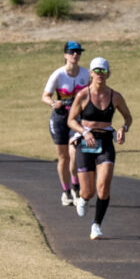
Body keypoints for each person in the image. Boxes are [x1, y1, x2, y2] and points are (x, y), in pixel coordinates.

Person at [66, 56, 134, 239]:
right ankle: (84, 197)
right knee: (88, 191)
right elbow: (70, 120)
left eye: (103, 71)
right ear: (91, 73)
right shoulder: (83, 95)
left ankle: (96, 225)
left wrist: (123, 129)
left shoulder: (115, 96)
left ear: (108, 73)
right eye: (96, 71)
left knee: (104, 188)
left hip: (105, 143)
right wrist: (84, 132)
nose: (100, 74)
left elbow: (128, 117)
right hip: (86, 142)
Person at [41, 41, 92, 206]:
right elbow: (45, 96)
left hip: (77, 120)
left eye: (78, 52)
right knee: (62, 158)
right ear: (65, 55)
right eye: (72, 52)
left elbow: (94, 90)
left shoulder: (85, 74)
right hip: (60, 118)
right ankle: (66, 191)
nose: (75, 55)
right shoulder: (58, 74)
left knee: (74, 154)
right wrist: (53, 103)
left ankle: (76, 188)